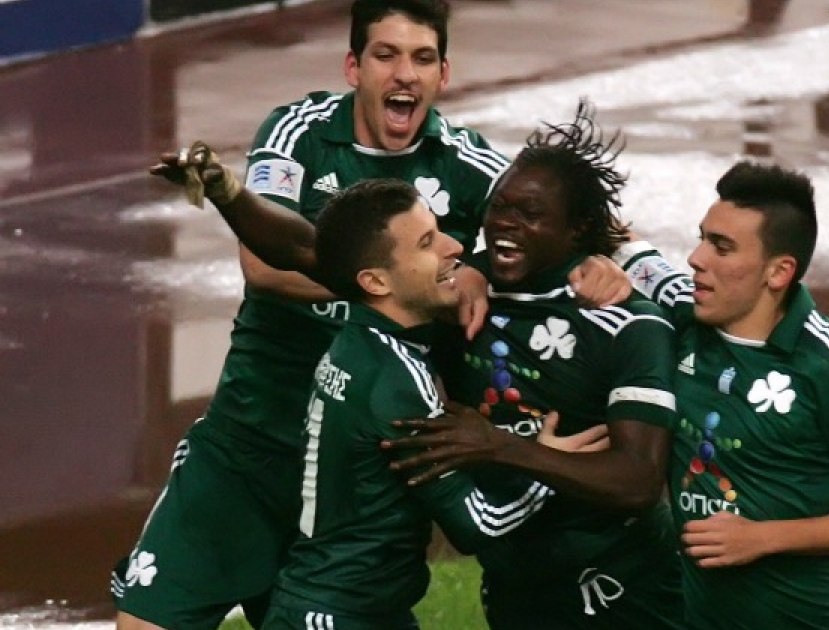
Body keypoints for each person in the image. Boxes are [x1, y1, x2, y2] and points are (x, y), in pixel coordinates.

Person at [188, 99, 684, 629]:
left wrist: (507, 449)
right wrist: (231, 194)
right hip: (500, 588)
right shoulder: (438, 317)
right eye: (498, 207)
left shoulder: (625, 323)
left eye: (530, 214)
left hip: (623, 590)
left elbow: (637, 480)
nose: (502, 225)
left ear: (577, 229)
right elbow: (306, 249)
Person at [112, 2, 506, 629]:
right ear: (354, 67)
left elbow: (559, 223)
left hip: (354, 487)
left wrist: (484, 266)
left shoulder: (465, 163)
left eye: (422, 58)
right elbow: (264, 267)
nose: (405, 74)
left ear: (443, 73)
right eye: (386, 55)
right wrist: (385, 287)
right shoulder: (299, 133)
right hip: (249, 447)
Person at [608, 161, 829, 630]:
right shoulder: (683, 312)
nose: (696, 258)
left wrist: (760, 538)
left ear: (778, 272)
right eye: (702, 238)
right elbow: (626, 247)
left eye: (722, 247)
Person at [260, 178, 556, 630]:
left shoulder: (355, 345)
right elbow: (477, 524)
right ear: (376, 281)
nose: (454, 247)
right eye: (427, 243)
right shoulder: (398, 380)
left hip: (342, 605)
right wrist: (546, 465)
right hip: (339, 617)